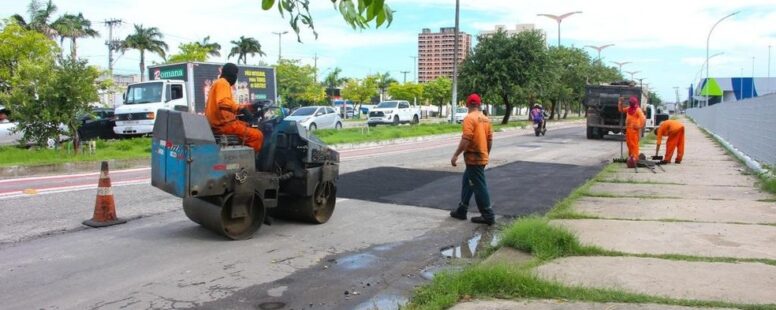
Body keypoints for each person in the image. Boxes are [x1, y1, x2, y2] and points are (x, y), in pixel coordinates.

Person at [449, 93, 496, 225]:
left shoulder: (469, 118)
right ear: (479, 104)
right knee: (467, 181)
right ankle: (462, 209)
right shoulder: (486, 119)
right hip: (481, 156)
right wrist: (486, 154)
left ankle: (488, 215)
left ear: (467, 104)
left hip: (473, 157)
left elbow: (466, 138)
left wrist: (456, 155)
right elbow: (490, 139)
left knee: (479, 186)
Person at [204, 63, 263, 153]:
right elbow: (222, 102)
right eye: (235, 74)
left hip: (221, 124)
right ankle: (248, 162)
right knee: (257, 135)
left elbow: (227, 104)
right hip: (224, 126)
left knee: (248, 125)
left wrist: (250, 107)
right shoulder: (223, 83)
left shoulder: (217, 84)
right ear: (231, 74)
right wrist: (240, 108)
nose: (236, 77)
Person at [618, 96, 646, 160]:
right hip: (628, 129)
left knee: (634, 144)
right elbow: (621, 110)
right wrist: (620, 103)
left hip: (634, 130)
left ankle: (635, 157)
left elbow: (643, 119)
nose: (631, 104)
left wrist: (640, 126)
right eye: (630, 103)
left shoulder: (638, 110)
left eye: (632, 103)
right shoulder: (629, 108)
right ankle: (631, 157)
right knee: (629, 144)